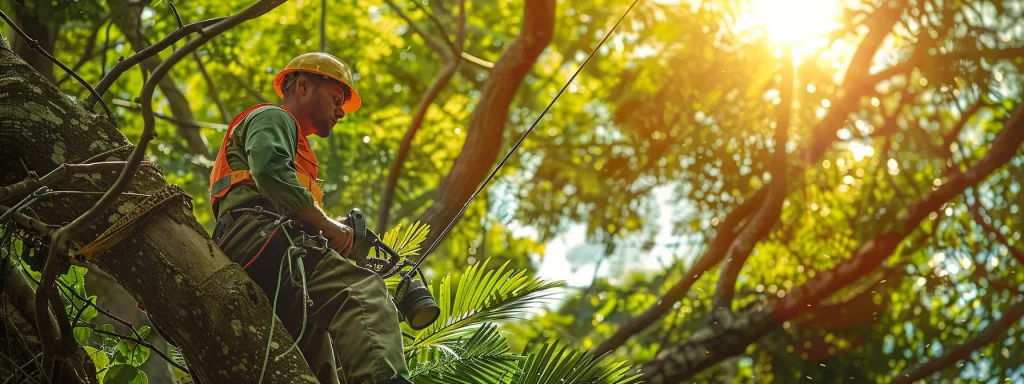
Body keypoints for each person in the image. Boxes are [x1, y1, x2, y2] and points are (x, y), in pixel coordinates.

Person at [208, 52, 412, 384]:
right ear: (303, 86)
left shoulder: (301, 151)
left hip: (271, 250)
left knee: (314, 364)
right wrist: (327, 226)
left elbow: (288, 198)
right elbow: (270, 174)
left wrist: (330, 231)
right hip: (261, 238)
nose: (340, 111)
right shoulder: (273, 117)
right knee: (362, 292)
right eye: (335, 98)